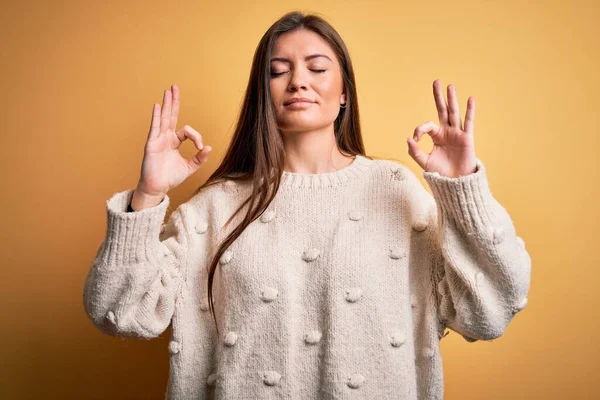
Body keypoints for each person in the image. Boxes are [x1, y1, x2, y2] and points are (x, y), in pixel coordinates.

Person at [83, 10, 531, 400]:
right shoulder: (215, 208)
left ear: (344, 94)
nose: (297, 80)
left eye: (317, 68)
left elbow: (490, 310)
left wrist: (461, 190)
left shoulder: (396, 190)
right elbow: (118, 312)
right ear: (264, 95)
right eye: (278, 71)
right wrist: (147, 195)